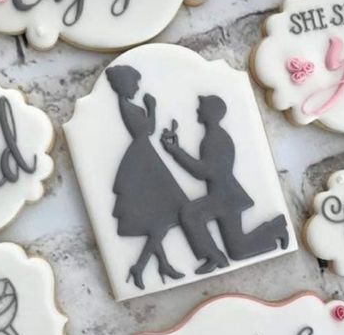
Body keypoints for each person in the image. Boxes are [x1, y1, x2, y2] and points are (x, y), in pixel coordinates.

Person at [161, 95, 285, 262]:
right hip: (225, 197)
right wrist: (176, 150)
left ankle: (213, 257)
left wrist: (176, 151)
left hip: (225, 197)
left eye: (201, 107)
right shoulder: (213, 137)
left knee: (190, 214)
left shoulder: (216, 138)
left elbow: (204, 172)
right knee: (238, 251)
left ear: (210, 112)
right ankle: (275, 228)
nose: (198, 110)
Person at [106, 65, 188, 290]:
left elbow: (148, 130)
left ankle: (156, 265)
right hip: (143, 163)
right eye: (134, 84)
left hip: (145, 158)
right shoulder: (126, 106)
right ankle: (144, 266)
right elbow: (146, 130)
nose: (137, 87)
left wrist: (151, 109)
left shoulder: (129, 105)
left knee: (158, 221)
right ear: (124, 85)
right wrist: (152, 107)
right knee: (161, 218)